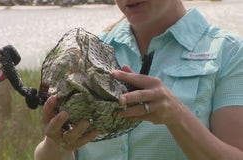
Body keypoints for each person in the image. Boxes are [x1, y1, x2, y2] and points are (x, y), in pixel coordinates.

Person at [34, 0, 243, 159]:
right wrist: (55, 143)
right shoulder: (86, 51)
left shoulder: (230, 53)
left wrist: (177, 116)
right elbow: (52, 151)